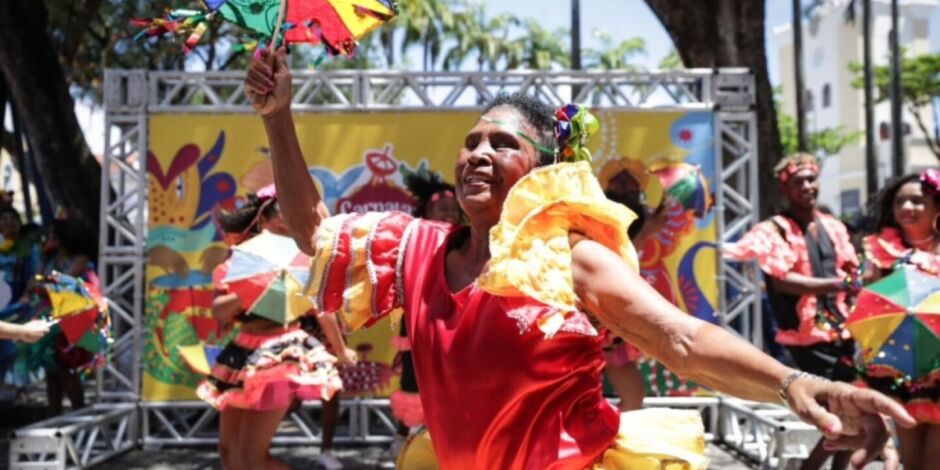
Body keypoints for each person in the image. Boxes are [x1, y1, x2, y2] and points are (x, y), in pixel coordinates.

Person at [247, 47, 912, 469]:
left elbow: (679, 336)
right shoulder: (416, 247)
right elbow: (316, 234)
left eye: (501, 143)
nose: (476, 152)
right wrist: (279, 116)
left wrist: (795, 385)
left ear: (539, 168)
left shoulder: (571, 259)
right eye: (471, 140)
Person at [723, 153, 862, 470]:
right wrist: (838, 284)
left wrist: (857, 278)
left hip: (843, 330)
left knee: (849, 409)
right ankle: (808, 468)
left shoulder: (833, 226)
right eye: (799, 182)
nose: (807, 187)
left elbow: (852, 269)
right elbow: (783, 281)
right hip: (804, 335)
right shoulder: (775, 229)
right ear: (785, 189)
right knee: (841, 409)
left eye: (811, 180)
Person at [200, 187, 355, 470]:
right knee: (228, 451)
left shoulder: (302, 263)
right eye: (282, 224)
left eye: (292, 226)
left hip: (280, 354)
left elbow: (321, 310)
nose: (288, 232)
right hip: (242, 352)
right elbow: (219, 310)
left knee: (251, 458)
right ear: (263, 222)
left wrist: (342, 350)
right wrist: (253, 287)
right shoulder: (238, 260)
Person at [859, 169, 940, 469]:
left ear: (936, 207)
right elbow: (873, 305)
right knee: (914, 462)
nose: (907, 208)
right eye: (900, 202)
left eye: (917, 201)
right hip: (904, 364)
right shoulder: (883, 251)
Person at [391, 171, 462, 455]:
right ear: (426, 210)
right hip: (418, 323)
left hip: (457, 322)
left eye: (454, 207)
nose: (449, 211)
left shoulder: (469, 240)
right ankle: (403, 443)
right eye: (442, 206)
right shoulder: (411, 239)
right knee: (414, 380)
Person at [602, 168, 670, 411]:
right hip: (595, 317)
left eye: (631, 183)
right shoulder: (594, 216)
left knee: (633, 398)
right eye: (618, 181)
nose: (624, 187)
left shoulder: (644, 216)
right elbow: (610, 261)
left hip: (615, 323)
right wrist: (645, 233)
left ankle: (609, 443)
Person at [39, 219, 98, 415]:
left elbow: (61, 284)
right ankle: (54, 415)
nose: (50, 238)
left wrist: (44, 285)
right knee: (51, 371)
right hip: (48, 318)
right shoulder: (48, 259)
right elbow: (36, 283)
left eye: (54, 234)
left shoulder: (80, 260)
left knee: (67, 368)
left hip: (71, 322)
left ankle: (78, 414)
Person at [0, 206, 41, 384]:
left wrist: (26, 295)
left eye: (12, 218)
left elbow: (34, 274)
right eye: (4, 219)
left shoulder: (29, 247)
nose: (9, 222)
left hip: (18, 301)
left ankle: (19, 387)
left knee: (13, 350)